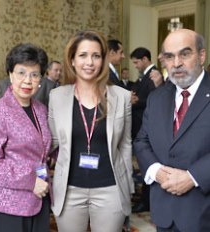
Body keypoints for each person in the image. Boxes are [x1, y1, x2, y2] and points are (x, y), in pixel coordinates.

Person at [48, 30, 134, 232]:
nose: (90, 62)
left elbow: (126, 145)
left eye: (96, 56)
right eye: (83, 55)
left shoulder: (122, 96)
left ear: (103, 60)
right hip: (69, 189)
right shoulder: (57, 96)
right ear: (72, 60)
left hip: (110, 189)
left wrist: (129, 185)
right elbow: (51, 141)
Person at [134, 29, 210, 232]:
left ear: (202, 55)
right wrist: (156, 171)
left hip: (204, 212)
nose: (176, 63)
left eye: (185, 54)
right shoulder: (157, 98)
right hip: (164, 212)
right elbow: (142, 141)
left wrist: (193, 176)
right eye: (169, 56)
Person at [0, 43, 52, 232]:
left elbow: (41, 150)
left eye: (34, 74)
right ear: (10, 74)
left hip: (40, 198)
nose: (27, 81)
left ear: (41, 79)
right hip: (8, 204)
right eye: (21, 73)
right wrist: (31, 181)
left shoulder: (41, 109)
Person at [129, 47, 158, 213]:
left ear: (145, 59)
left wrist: (137, 101)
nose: (135, 65)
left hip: (146, 127)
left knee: (147, 165)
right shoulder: (143, 78)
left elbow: (155, 99)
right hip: (139, 127)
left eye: (136, 62)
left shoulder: (154, 76)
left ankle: (147, 201)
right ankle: (145, 199)